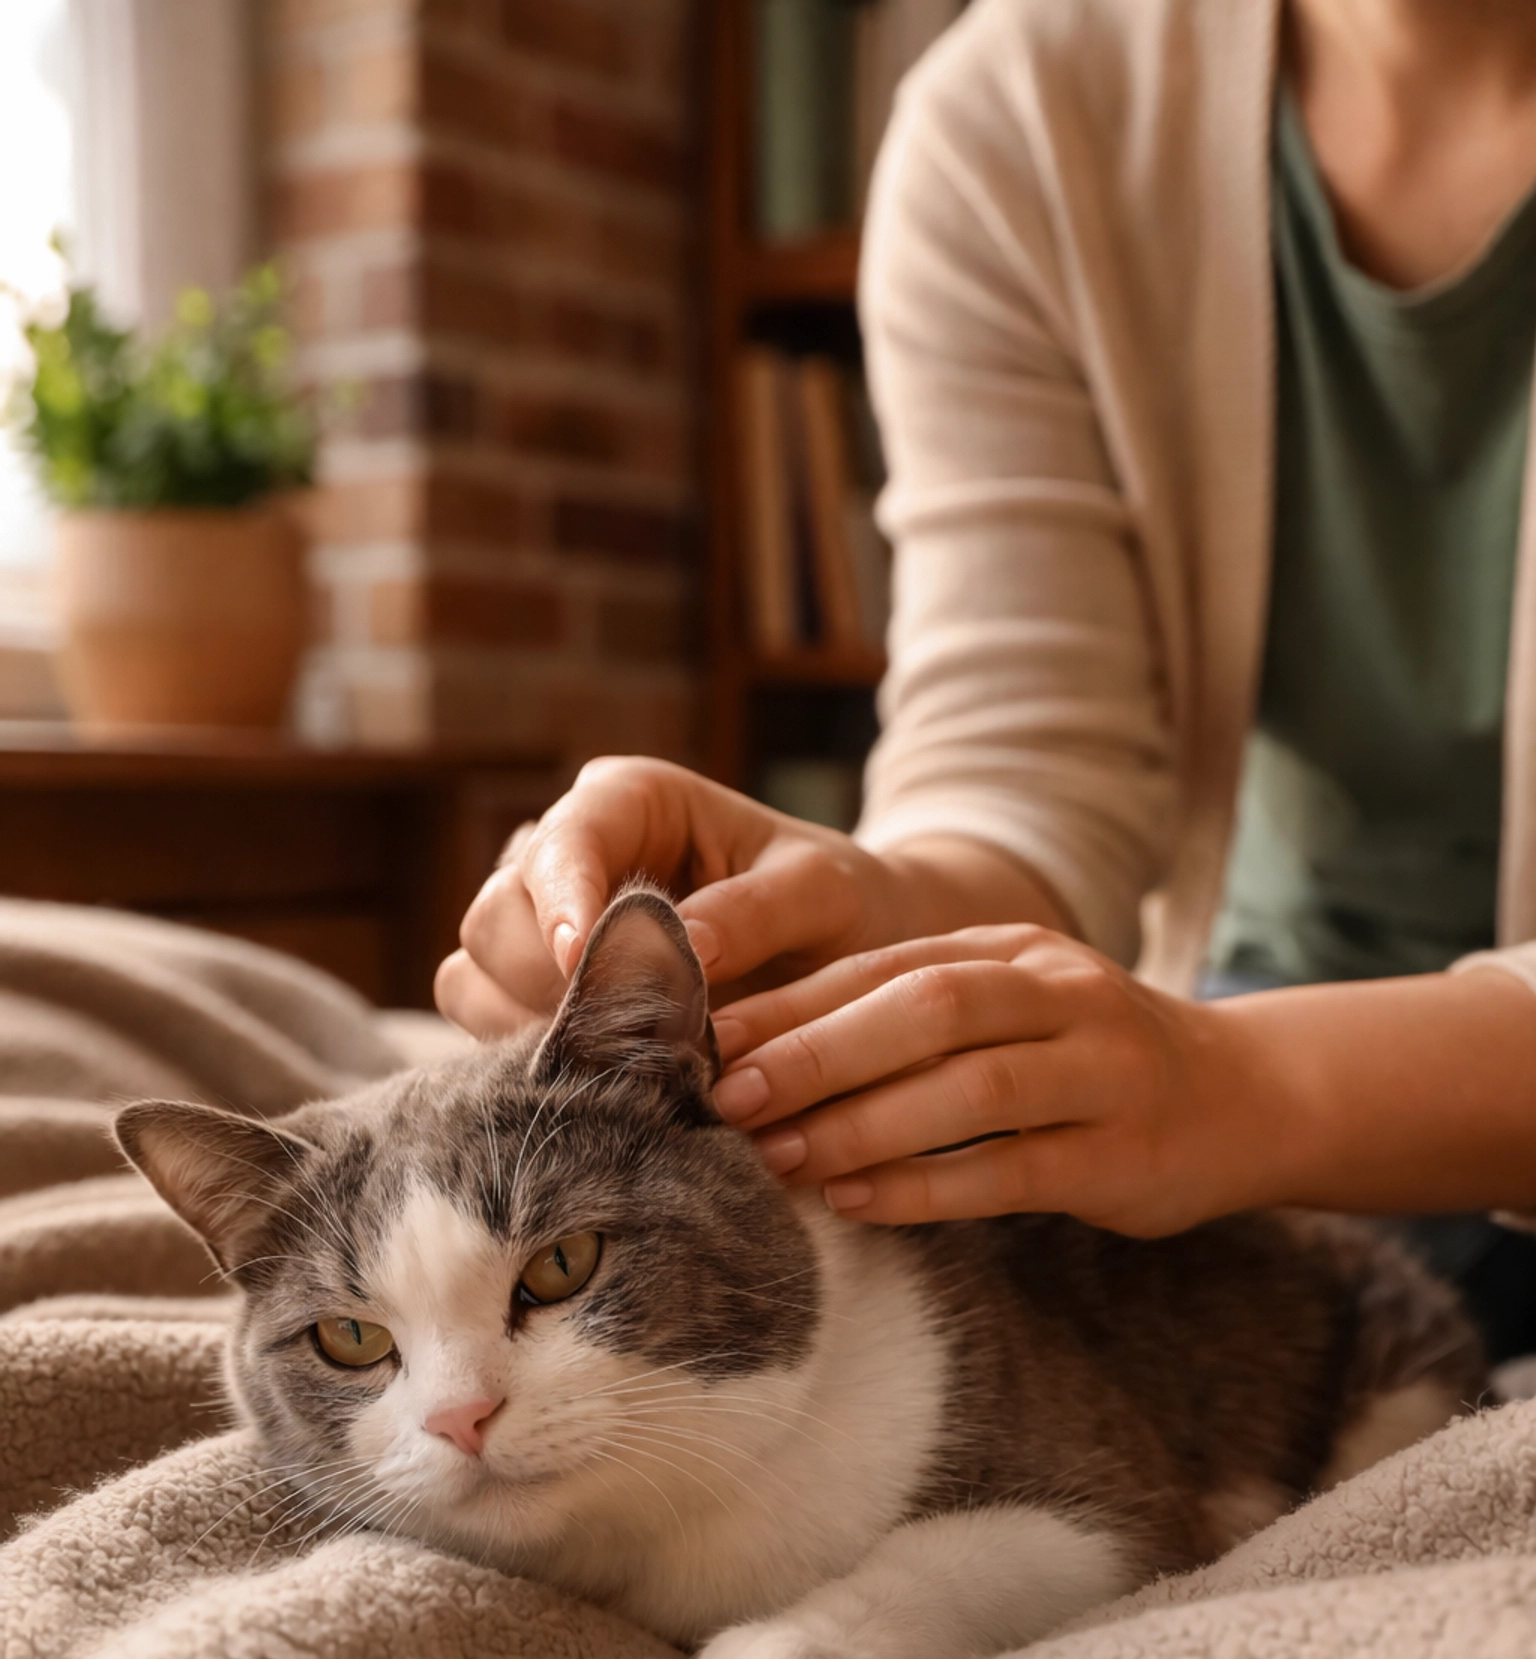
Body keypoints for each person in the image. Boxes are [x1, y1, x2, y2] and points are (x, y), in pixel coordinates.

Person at [436, 0, 1536, 1355]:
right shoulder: (1021, 117)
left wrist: (1244, 1089)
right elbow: (1030, 774)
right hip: (1263, 1063)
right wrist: (854, 910)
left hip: (1272, 1079)